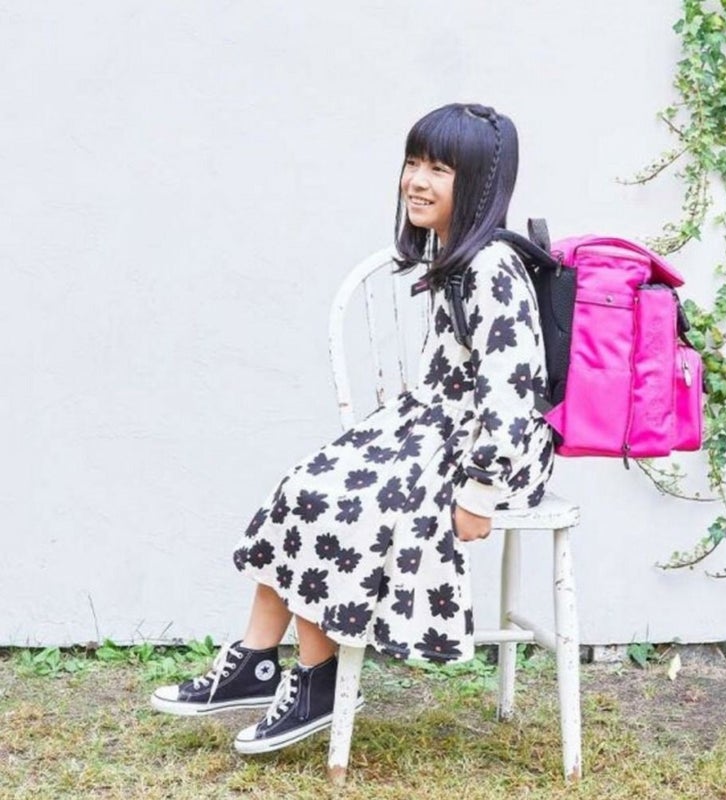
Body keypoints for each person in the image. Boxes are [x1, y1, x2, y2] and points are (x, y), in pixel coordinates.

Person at [150, 102, 553, 754]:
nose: (416, 180)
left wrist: (480, 490)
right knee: (305, 485)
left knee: (336, 502)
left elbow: (513, 390)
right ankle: (258, 658)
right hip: (436, 428)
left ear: (479, 184)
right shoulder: (455, 255)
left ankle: (318, 679)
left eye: (440, 169)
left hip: (489, 450)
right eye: (414, 162)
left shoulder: (491, 268)